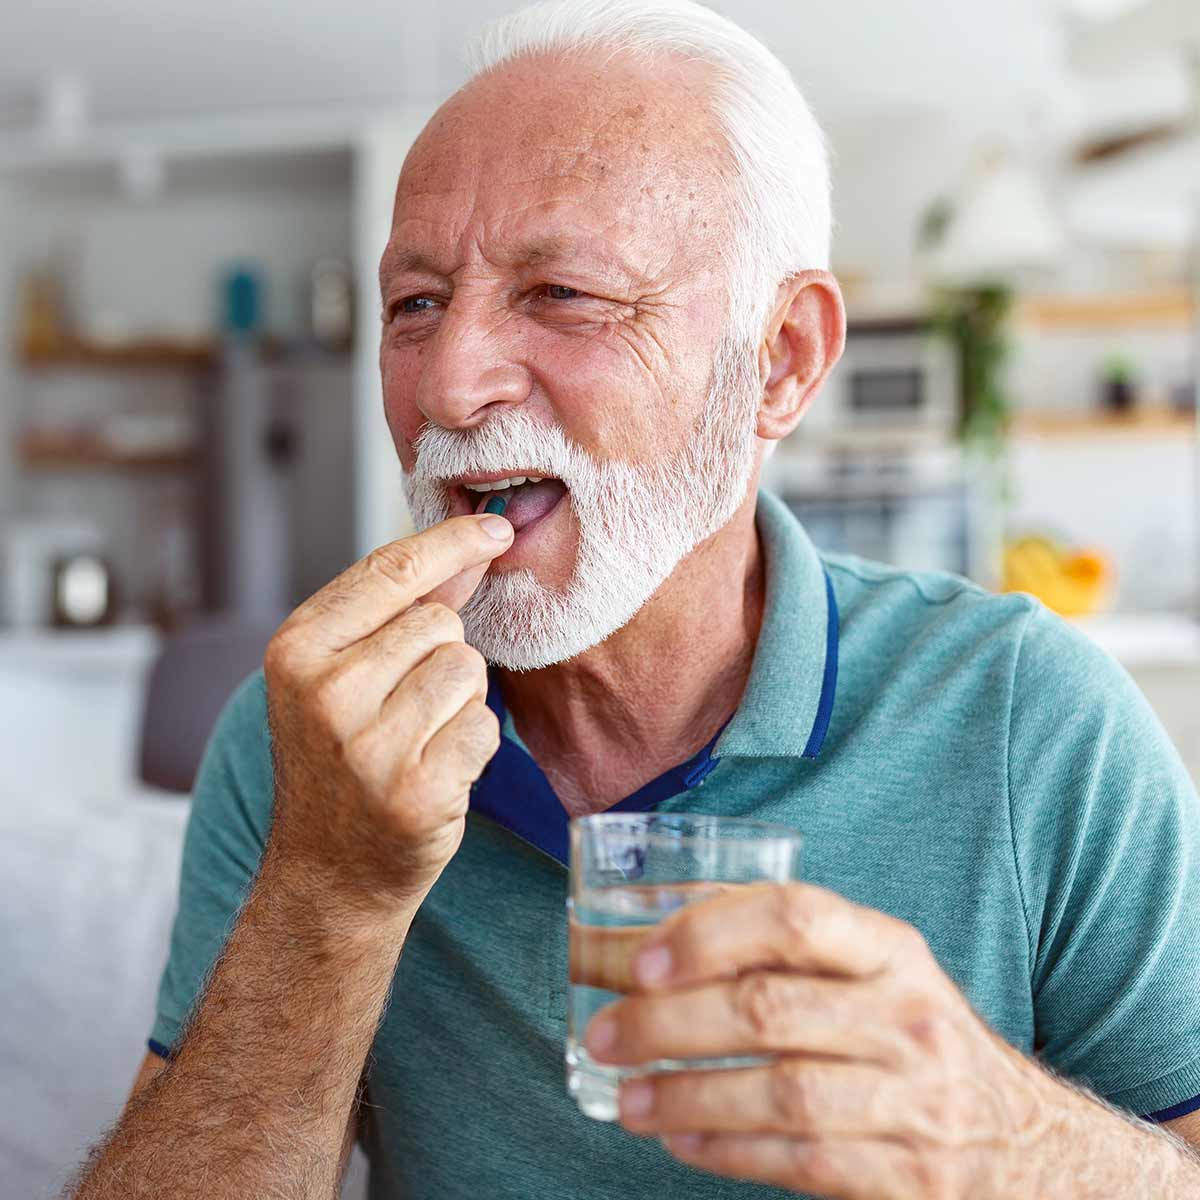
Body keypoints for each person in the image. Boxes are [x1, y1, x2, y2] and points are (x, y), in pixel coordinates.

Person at [70, 1, 1200, 1197]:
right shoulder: (306, 739)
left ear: (782, 360)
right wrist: (328, 888)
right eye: (414, 304)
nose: (450, 383)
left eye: (562, 292)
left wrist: (1008, 1144)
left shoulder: (1033, 717)